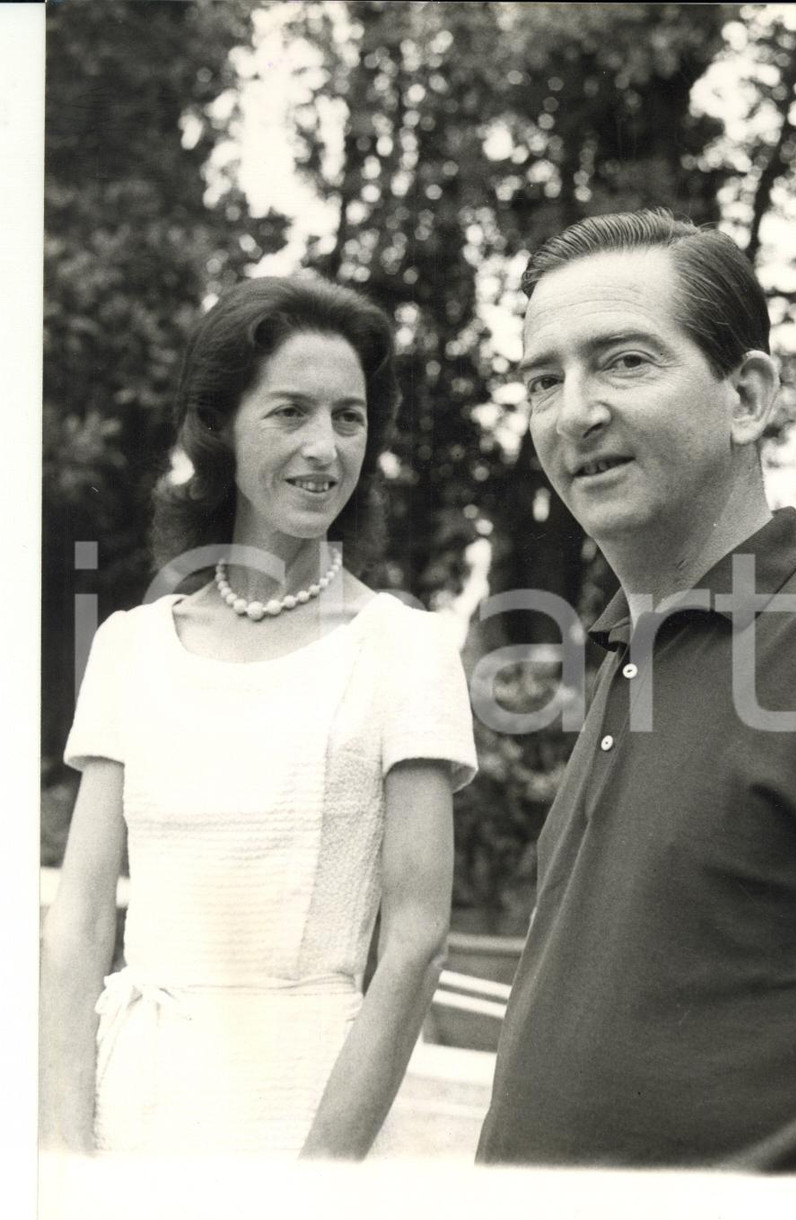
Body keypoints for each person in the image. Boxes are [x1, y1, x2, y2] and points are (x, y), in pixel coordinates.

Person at [475, 209, 796, 1173]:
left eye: (623, 361)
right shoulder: (619, 654)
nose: (573, 413)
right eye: (542, 380)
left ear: (746, 396)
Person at [40, 276, 477, 1158]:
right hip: (132, 1110)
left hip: (308, 1115)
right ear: (221, 428)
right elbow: (80, 923)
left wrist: (316, 1180)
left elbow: (417, 942)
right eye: (290, 412)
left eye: (348, 418)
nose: (325, 447)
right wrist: (64, 1149)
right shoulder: (131, 647)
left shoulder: (407, 647)